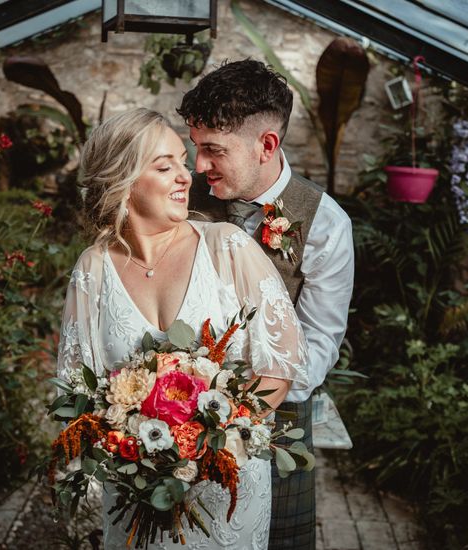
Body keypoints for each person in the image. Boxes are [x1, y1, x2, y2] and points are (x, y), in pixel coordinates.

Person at [57, 107, 310, 549]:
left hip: (226, 490)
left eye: (181, 160)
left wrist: (208, 449)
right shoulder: (93, 269)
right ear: (124, 180)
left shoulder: (228, 248)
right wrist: (140, 458)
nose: (185, 175)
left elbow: (278, 367)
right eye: (164, 165)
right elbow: (78, 391)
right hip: (135, 494)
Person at [178, 59, 356, 550]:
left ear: (267, 146)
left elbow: (317, 346)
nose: (198, 166)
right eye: (196, 147)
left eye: (213, 150)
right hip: (171, 406)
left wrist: (235, 406)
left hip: (274, 422)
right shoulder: (183, 198)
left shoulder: (325, 223)